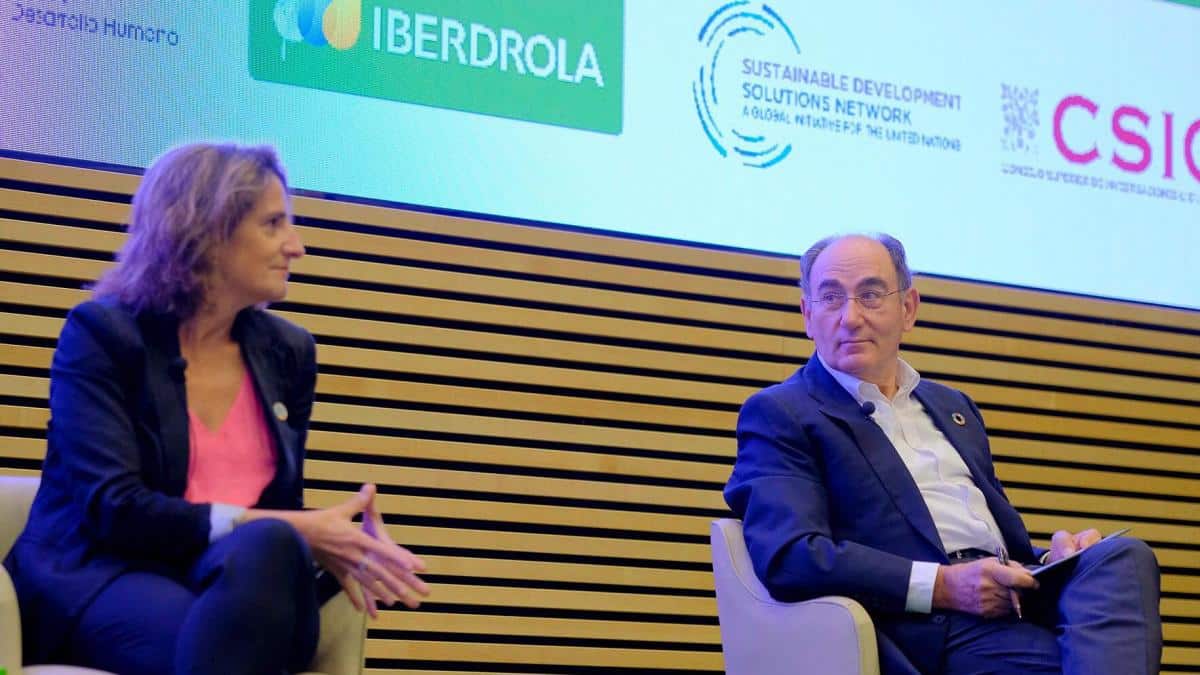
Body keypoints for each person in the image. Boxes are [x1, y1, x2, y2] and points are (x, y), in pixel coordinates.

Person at [3, 142, 430, 674]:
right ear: (206, 232)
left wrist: (337, 543)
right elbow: (114, 508)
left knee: (268, 556)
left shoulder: (288, 353)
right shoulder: (104, 335)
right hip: (105, 575)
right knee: (241, 619)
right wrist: (300, 530)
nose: (296, 247)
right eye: (273, 224)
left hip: (230, 581)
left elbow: (277, 516)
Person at [724, 233, 1161, 675]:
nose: (850, 317)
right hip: (931, 624)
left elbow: (987, 537)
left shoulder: (953, 407)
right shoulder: (783, 412)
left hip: (1013, 594)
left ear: (908, 308)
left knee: (1123, 556)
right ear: (808, 315)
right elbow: (791, 555)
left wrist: (1052, 560)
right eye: (831, 298)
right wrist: (945, 586)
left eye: (871, 295)